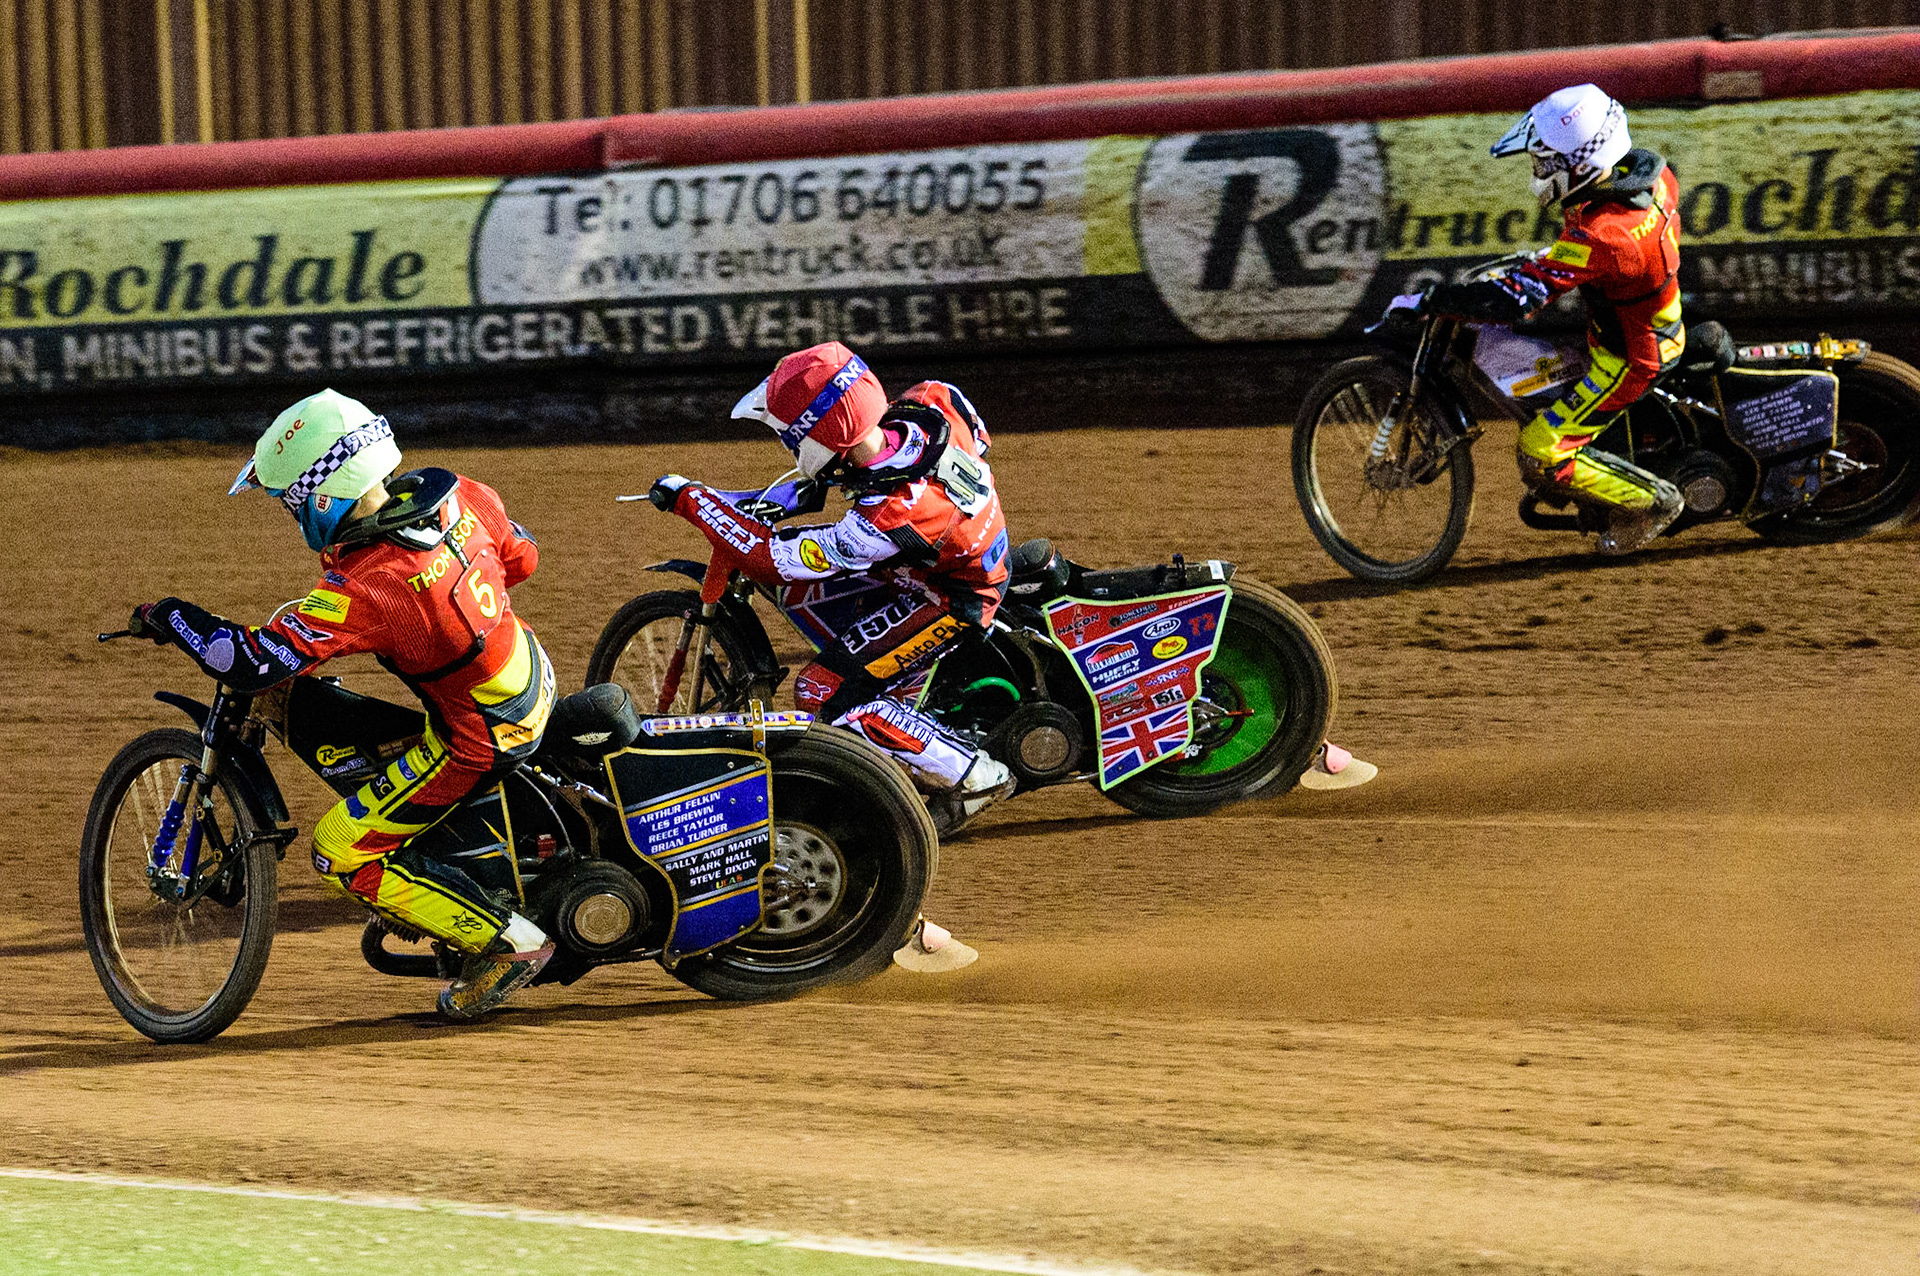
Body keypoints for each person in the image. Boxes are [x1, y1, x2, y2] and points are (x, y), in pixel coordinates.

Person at [130, 389, 558, 1021]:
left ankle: (507, 946)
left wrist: (172, 616)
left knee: (339, 849)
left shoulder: (370, 586)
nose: (289, 514)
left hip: (481, 735)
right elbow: (522, 559)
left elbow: (248, 663)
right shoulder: (463, 493)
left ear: (323, 495)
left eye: (289, 501)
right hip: (531, 674)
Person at [652, 341, 1017, 832]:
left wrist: (694, 502)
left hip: (951, 597)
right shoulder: (932, 401)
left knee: (821, 691)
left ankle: (973, 775)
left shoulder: (884, 519)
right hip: (952, 553)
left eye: (788, 435)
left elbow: (768, 561)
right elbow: (892, 459)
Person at [1420, 83, 1687, 555]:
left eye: (1545, 164)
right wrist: (1554, 257)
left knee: (1540, 450)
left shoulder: (1603, 236)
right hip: (1650, 320)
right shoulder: (1652, 182)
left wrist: (1434, 299)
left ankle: (1653, 501)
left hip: (1629, 359)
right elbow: (1596, 252)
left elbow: (1517, 302)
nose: (1539, 174)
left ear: (1581, 166)